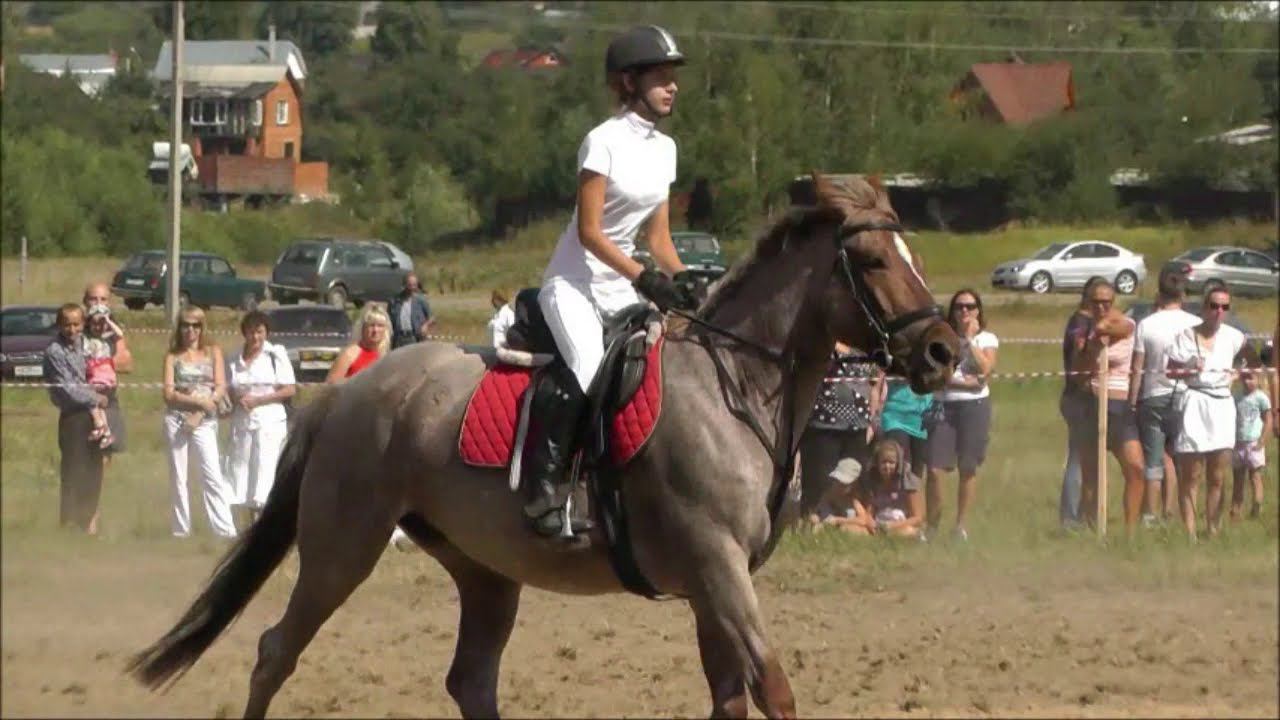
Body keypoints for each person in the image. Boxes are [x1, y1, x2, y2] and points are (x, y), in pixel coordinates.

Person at [524, 25, 701, 538]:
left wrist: (683, 276)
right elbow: (591, 231)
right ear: (628, 82)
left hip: (623, 286)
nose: (673, 86)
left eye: (673, 78)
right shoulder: (600, 142)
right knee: (584, 368)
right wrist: (646, 277)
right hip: (574, 282)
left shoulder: (665, 149)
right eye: (662, 77)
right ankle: (543, 492)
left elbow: (659, 236)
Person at [1167, 287, 1249, 539]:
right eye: (1214, 306)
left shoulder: (1234, 337)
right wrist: (1190, 368)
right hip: (1195, 401)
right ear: (1204, 308)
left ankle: (1212, 528)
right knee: (1192, 473)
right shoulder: (1186, 335)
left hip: (1222, 404)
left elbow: (1253, 363)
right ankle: (1190, 534)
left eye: (1225, 307)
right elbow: (1170, 371)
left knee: (1217, 473)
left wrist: (1240, 374)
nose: (1219, 312)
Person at [1071, 280, 1145, 534]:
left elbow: (1121, 328)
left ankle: (1130, 531)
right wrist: (1091, 347)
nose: (1102, 307)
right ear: (1088, 304)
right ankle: (1090, 528)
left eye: (1107, 302)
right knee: (1092, 477)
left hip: (1120, 406)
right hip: (1092, 403)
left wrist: (1101, 329)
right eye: (1096, 302)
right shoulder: (1084, 334)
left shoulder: (1127, 323)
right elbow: (1079, 373)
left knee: (1135, 468)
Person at [926, 289, 998, 541]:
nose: (964, 311)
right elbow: (937, 377)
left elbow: (985, 370)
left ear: (978, 310)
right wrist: (964, 382)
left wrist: (968, 341)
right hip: (943, 406)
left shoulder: (987, 338)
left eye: (969, 306)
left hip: (974, 407)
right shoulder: (940, 337)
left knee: (968, 467)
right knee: (935, 469)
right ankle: (932, 526)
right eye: (959, 307)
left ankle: (960, 526)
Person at [1129, 269, 1199, 526]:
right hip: (1186, 395)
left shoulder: (1146, 324)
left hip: (1153, 395)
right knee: (1177, 457)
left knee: (1154, 459)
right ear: (1182, 293)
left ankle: (1150, 514)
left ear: (1158, 293)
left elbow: (1138, 367)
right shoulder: (1193, 323)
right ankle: (1172, 512)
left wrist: (1133, 401)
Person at [162, 307, 237, 539]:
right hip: (176, 419)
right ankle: (180, 530)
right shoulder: (172, 356)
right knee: (178, 477)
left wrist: (204, 408)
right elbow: (169, 393)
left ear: (202, 327)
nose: (190, 330)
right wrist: (196, 401)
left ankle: (224, 530)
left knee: (212, 474)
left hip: (205, 421)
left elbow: (221, 386)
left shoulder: (213, 352)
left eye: (196, 325)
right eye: (186, 325)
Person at [42, 303, 109, 533]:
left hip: (94, 414)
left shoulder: (86, 344)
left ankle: (89, 523)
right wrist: (96, 398)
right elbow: (69, 389)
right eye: (67, 324)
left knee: (94, 470)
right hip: (73, 417)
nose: (72, 329)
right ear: (60, 325)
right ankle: (70, 524)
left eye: (76, 324)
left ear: (83, 324)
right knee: (74, 470)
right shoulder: (54, 351)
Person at [801, 342, 886, 519]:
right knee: (820, 478)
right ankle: (811, 518)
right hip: (823, 424)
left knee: (852, 474)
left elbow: (874, 387)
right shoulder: (823, 344)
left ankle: (836, 516)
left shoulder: (865, 349)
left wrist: (873, 421)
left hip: (858, 426)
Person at [226, 311, 296, 525]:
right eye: (251, 332)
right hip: (242, 421)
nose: (255, 337)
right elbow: (228, 388)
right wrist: (236, 398)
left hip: (269, 422)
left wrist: (259, 400)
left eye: (260, 332)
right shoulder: (233, 357)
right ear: (244, 332)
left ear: (266, 333)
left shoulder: (275, 354)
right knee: (240, 467)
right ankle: (242, 520)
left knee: (264, 467)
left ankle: (263, 520)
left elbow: (289, 389)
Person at [1059, 277, 1108, 528]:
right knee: (1078, 459)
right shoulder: (1081, 324)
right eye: (1098, 300)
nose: (1103, 306)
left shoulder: (1081, 321)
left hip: (1080, 397)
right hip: (1079, 398)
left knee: (1084, 458)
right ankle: (1070, 518)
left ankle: (1085, 513)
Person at [83, 282, 131, 461]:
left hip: (108, 398)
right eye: (93, 299)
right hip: (81, 401)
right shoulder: (78, 329)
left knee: (106, 453)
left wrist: (100, 364)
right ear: (85, 302)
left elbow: (126, 363)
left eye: (103, 299)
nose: (98, 303)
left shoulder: (111, 331)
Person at [1231, 367, 1271, 520]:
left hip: (1254, 443)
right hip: (1238, 443)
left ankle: (1257, 505)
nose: (1248, 382)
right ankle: (1235, 510)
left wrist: (1262, 440)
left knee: (1255, 477)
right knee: (1238, 479)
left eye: (1252, 378)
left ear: (1258, 379)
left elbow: (1268, 420)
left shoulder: (1261, 398)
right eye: (1245, 378)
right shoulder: (1236, 397)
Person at [879, 376, 932, 480]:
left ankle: (913, 495)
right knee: (898, 464)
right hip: (895, 414)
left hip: (922, 414)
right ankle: (892, 495)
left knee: (917, 472)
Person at [84, 304, 120, 449]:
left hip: (105, 378)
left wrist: (108, 320)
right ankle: (106, 432)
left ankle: (99, 426)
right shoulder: (86, 339)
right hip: (93, 375)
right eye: (95, 323)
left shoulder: (108, 339)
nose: (98, 327)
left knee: (90, 399)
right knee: (99, 405)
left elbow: (120, 334)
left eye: (102, 323)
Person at [327, 303, 391, 383]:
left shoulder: (385, 356)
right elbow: (330, 386)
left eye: (380, 326)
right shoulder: (350, 354)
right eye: (371, 325)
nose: (375, 330)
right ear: (363, 328)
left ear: (385, 329)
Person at [389, 273, 434, 350]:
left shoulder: (421, 300)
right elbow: (388, 319)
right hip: (398, 339)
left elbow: (432, 317)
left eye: (414, 285)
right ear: (404, 285)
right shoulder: (395, 301)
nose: (412, 288)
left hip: (414, 338)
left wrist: (425, 325)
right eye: (409, 285)